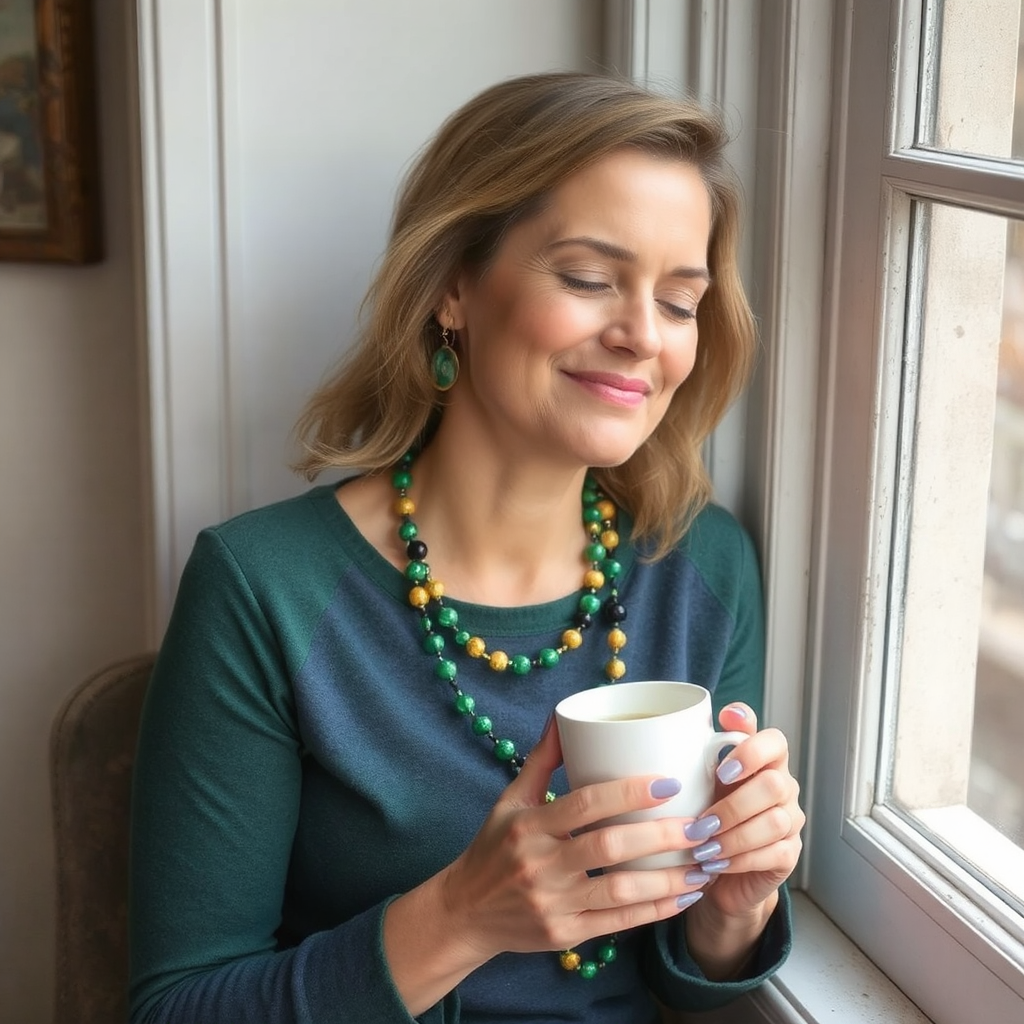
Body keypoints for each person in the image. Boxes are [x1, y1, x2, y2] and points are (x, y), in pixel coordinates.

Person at [128, 71, 804, 1024]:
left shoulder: (705, 567)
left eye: (681, 301)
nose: (642, 337)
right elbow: (175, 1009)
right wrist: (458, 917)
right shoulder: (262, 587)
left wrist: (737, 907)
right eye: (587, 278)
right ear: (452, 285)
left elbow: (672, 968)